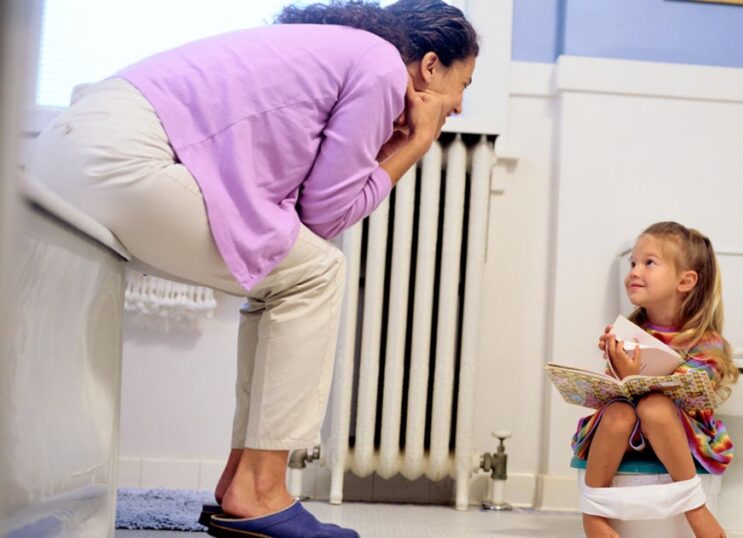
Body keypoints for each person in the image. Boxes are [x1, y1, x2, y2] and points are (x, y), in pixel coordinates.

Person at [26, 1, 477, 536]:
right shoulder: (380, 66)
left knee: (288, 276)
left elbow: (307, 215)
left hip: (72, 151)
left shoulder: (341, 53)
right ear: (429, 66)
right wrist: (417, 142)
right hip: (117, 157)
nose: (461, 106)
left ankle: (240, 481)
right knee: (317, 273)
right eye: (464, 84)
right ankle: (259, 490)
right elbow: (326, 217)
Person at [571, 221, 739, 538]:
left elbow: (691, 396)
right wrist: (616, 368)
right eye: (633, 263)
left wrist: (636, 376)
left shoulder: (706, 342)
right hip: (628, 432)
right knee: (618, 412)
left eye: (649, 263)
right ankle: (593, 512)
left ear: (685, 281)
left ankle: (695, 507)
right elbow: (620, 394)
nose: (634, 271)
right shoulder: (628, 333)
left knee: (655, 407)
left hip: (680, 436)